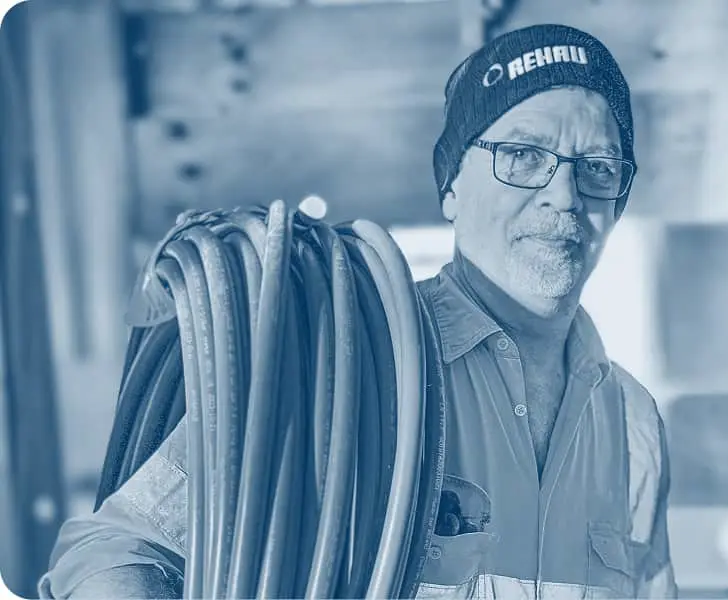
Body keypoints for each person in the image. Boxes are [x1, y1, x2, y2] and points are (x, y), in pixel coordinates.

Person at [39, 24, 679, 599]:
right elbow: (111, 551)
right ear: (452, 186)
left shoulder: (633, 419)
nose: (563, 195)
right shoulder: (336, 363)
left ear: (618, 199)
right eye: (522, 157)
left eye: (596, 167)